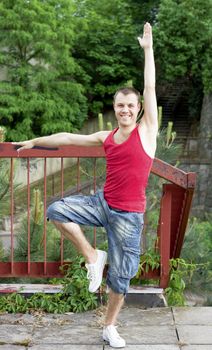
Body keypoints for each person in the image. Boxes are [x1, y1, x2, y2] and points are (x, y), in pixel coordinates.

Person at [15, 22, 158, 348]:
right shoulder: (105, 137)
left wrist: (148, 51)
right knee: (56, 209)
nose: (124, 110)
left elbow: (149, 89)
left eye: (130, 106)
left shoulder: (147, 132)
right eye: (119, 105)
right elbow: (67, 137)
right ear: (115, 109)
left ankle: (109, 326)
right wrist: (35, 140)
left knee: (120, 280)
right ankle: (93, 256)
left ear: (137, 112)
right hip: (102, 203)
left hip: (128, 217)